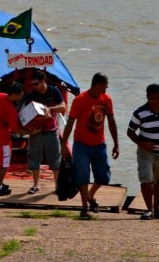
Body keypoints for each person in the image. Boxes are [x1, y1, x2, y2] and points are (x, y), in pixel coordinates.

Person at [61, 72, 119, 218]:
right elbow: (70, 122)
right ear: (98, 85)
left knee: (103, 177)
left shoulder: (107, 99)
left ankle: (90, 196)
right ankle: (84, 207)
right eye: (105, 85)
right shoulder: (80, 100)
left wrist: (116, 143)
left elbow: (111, 121)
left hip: (100, 144)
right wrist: (63, 143)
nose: (107, 88)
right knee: (82, 176)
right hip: (81, 145)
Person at [127, 83, 159, 220]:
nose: (154, 101)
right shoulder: (140, 113)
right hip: (145, 152)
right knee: (146, 178)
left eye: (157, 98)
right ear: (147, 98)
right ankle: (148, 210)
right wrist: (143, 144)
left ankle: (156, 210)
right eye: (151, 98)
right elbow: (130, 132)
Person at [0, 82, 36, 196]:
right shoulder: (11, 109)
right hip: (0, 139)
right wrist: (30, 132)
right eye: (21, 95)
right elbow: (16, 130)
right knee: (3, 164)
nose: (22, 97)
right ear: (15, 95)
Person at [24, 70, 67, 194]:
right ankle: (35, 185)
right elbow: (26, 115)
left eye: (36, 84)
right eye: (32, 84)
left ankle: (57, 186)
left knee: (55, 159)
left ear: (43, 81)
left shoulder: (54, 91)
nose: (34, 87)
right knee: (34, 159)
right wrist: (29, 129)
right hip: (36, 132)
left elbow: (63, 106)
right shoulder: (31, 95)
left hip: (51, 130)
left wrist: (50, 109)